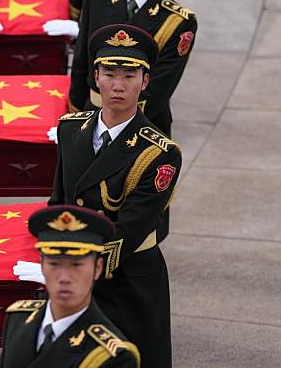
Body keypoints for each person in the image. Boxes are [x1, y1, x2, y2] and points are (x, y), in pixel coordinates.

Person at [36, 24, 181, 367]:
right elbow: (59, 201)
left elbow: (129, 230)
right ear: (95, 77)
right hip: (76, 270)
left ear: (145, 82)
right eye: (110, 73)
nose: (118, 85)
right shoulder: (71, 128)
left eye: (129, 75)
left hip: (129, 279)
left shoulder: (160, 153)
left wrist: (70, 263)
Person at [67, 0, 196, 138]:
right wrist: (77, 120)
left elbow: (159, 89)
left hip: (143, 129)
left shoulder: (178, 21)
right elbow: (81, 67)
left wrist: (112, 126)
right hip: (92, 118)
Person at [2, 205, 140, 368]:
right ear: (42, 264)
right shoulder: (18, 318)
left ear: (97, 269)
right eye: (54, 264)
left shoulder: (113, 357)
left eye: (76, 265)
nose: (64, 278)